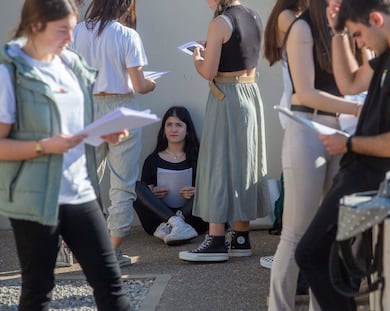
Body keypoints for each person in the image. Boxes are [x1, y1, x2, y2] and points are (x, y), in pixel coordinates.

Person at [0, 0, 131, 310]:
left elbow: (76, 127)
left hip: (79, 191)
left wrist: (102, 132)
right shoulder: (11, 71)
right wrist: (44, 146)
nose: (70, 40)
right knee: (38, 290)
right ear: (35, 26)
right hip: (35, 198)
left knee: (110, 283)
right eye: (62, 31)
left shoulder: (71, 64)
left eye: (72, 30)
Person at [295, 0, 390, 310]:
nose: (359, 43)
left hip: (374, 177)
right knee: (338, 265)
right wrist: (339, 34)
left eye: (358, 34)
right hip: (362, 174)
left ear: (375, 18)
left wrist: (348, 144)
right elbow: (347, 84)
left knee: (311, 253)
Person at [265, 0, 366, 310]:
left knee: (330, 232)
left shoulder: (348, 25)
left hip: (342, 131)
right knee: (296, 231)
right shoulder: (302, 26)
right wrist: (357, 108)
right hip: (307, 127)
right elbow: (304, 92)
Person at [179, 0, 268, 262]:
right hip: (251, 93)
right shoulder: (254, 16)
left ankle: (216, 239)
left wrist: (197, 58)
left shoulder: (219, 23)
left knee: (217, 163)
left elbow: (209, 71)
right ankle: (241, 238)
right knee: (245, 163)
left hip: (226, 96)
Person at [71, 0, 156, 267]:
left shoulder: (76, 31)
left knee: (84, 180)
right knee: (122, 184)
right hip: (121, 109)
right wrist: (152, 83)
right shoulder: (127, 35)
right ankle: (111, 253)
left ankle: (77, 246)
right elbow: (140, 85)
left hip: (86, 108)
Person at [260, 0, 306, 270]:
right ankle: (286, 257)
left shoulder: (291, 15)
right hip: (297, 112)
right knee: (294, 193)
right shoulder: (289, 17)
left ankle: (287, 256)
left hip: (296, 111)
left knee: (295, 191)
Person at [133, 106, 208, 245]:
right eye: (169, 125)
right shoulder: (152, 160)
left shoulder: (198, 158)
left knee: (209, 188)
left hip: (190, 217)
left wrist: (197, 192)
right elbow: (144, 191)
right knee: (135, 187)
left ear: (187, 130)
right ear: (164, 130)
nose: (173, 129)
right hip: (161, 222)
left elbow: (209, 189)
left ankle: (180, 224)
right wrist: (152, 193)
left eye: (179, 125)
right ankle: (173, 222)